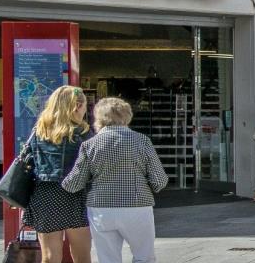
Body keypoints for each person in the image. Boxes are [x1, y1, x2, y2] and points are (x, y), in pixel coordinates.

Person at [62, 97, 167, 263]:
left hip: (101, 208)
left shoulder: (90, 145)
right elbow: (160, 180)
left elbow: (73, 184)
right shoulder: (142, 141)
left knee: (108, 259)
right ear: (127, 116)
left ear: (99, 118)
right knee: (144, 257)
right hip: (137, 206)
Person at [23, 86, 93, 263]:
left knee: (49, 256)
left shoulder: (39, 131)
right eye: (85, 104)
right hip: (76, 195)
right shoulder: (83, 132)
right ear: (77, 106)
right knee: (82, 256)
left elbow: (28, 161)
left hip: (45, 196)